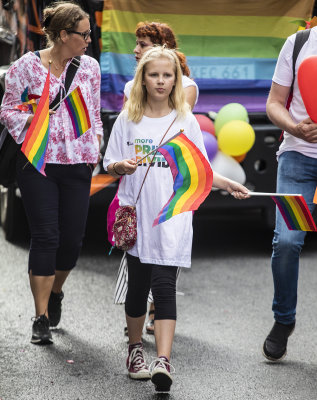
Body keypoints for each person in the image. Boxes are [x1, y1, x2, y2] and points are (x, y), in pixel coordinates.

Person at [104, 46, 249, 393]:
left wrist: (228, 183)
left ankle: (163, 361)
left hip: (171, 216)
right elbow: (109, 161)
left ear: (176, 79)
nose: (161, 81)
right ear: (143, 78)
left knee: (165, 287)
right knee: (138, 287)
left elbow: (200, 169)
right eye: (154, 74)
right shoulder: (129, 119)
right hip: (138, 216)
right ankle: (135, 349)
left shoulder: (184, 121)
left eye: (167, 75)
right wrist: (119, 166)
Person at [0, 1, 103, 345]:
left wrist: (96, 145)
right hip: (38, 163)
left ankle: (56, 291)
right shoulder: (24, 68)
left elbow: (96, 113)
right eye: (84, 34)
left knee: (71, 241)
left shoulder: (89, 67)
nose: (90, 38)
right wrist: (37, 117)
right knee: (45, 236)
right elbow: (8, 110)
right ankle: (40, 316)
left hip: (78, 164)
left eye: (90, 33)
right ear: (62, 35)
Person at [118, 20, 199, 336]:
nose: (136, 50)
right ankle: (137, 317)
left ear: (164, 49)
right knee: (137, 259)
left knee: (165, 256)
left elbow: (173, 131)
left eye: (143, 44)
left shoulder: (186, 86)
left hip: (171, 182)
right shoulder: (131, 86)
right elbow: (130, 130)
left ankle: (156, 312)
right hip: (139, 181)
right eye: (136, 44)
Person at [263, 27, 317, 361]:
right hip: (298, 158)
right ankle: (284, 320)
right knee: (286, 241)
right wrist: (294, 127)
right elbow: (273, 104)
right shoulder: (298, 43)